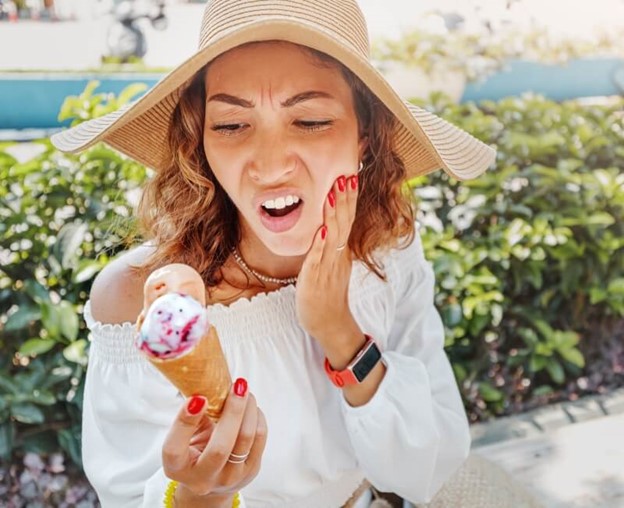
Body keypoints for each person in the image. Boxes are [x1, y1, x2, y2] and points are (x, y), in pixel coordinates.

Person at [51, 0, 495, 506]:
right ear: (200, 142)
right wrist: (200, 492)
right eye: (231, 125)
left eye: (308, 120)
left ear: (366, 135)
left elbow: (427, 467)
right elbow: (129, 495)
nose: (268, 166)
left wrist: (342, 335)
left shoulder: (388, 248)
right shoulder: (138, 301)